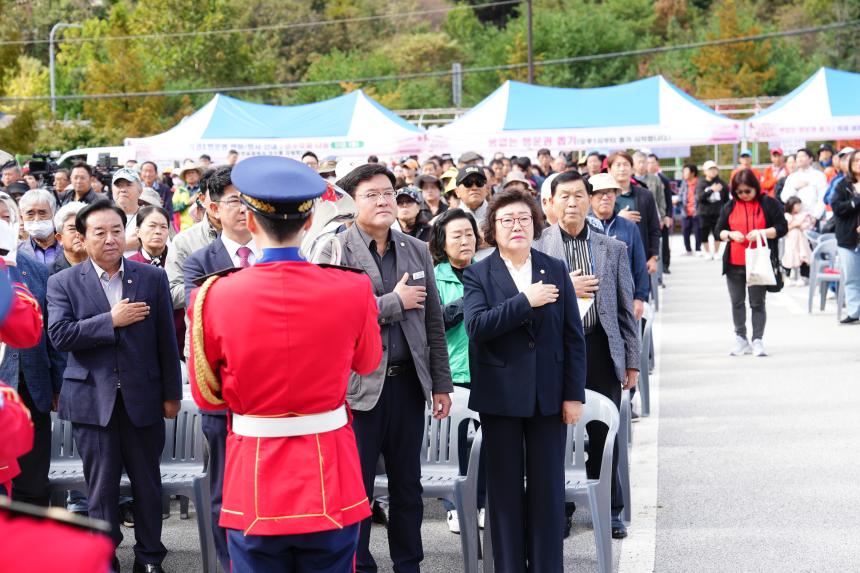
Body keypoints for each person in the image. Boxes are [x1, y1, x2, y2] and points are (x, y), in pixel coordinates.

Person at [187, 156, 381, 572]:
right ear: (309, 221)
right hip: (331, 471)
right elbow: (367, 364)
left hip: (253, 473)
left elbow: (207, 394)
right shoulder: (352, 287)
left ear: (250, 221)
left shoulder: (213, 295)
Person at [47, 200, 182, 573]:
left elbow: (166, 343)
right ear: (82, 237)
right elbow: (59, 335)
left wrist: (172, 394)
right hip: (92, 400)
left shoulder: (151, 277)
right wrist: (110, 320)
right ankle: (102, 556)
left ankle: (151, 557)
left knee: (147, 483)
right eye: (100, 232)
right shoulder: (63, 282)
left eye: (116, 231)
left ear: (128, 233)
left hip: (143, 397)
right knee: (101, 488)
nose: (110, 239)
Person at [332, 163, 453, 573]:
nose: (384, 201)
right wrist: (392, 303)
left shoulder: (416, 249)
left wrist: (440, 383)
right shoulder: (336, 249)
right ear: (352, 202)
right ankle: (358, 564)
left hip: (407, 387)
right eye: (372, 194)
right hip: (357, 389)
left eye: (388, 192)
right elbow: (333, 317)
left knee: (408, 488)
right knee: (356, 488)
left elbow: (433, 320)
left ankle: (409, 563)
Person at [462, 187, 586, 571]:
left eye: (523, 219)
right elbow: (477, 326)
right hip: (500, 397)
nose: (516, 226)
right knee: (504, 492)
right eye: (507, 220)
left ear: (535, 224)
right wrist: (524, 301)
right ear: (492, 229)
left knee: (548, 490)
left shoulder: (554, 266)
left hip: (548, 396)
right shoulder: (478, 272)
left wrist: (573, 395)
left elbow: (572, 336)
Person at [535, 170, 640, 539]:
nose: (572, 203)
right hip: (556, 350)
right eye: (564, 196)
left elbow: (626, 308)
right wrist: (566, 287)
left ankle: (609, 508)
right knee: (557, 433)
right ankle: (558, 508)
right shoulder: (537, 246)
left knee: (602, 431)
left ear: (590, 199)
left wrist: (631, 361)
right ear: (552, 202)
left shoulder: (612, 248)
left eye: (579, 195)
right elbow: (528, 301)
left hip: (598, 347)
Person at [181, 165, 258, 571]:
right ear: (213, 209)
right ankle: (229, 564)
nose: (244, 208)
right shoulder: (199, 263)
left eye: (248, 199)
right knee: (223, 491)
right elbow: (205, 326)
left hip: (270, 397)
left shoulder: (276, 254)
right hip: (222, 396)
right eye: (233, 200)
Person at [427, 208, 485, 533]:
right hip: (453, 372)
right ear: (442, 243)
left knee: (487, 443)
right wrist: (470, 298)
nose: (465, 241)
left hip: (488, 370)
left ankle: (482, 502)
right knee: (456, 444)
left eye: (469, 234)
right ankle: (454, 504)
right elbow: (436, 322)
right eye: (456, 235)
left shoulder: (491, 270)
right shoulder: (435, 276)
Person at [0, 240, 65, 508]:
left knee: (34, 483)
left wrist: (58, 385)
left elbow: (52, 332)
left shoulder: (37, 270)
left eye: (5, 218)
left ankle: (28, 544)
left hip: (33, 385)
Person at [716, 170, 787, 357]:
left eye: (747, 191)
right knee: (737, 302)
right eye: (739, 192)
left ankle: (757, 339)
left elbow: (782, 227)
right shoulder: (730, 206)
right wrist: (731, 235)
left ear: (755, 188)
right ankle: (740, 337)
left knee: (757, 303)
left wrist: (762, 232)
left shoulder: (768, 203)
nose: (744, 195)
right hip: (734, 262)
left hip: (759, 260)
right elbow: (718, 231)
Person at [586, 173, 649, 320]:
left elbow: (639, 264)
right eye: (599, 193)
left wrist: (639, 298)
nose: (605, 197)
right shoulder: (583, 227)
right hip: (591, 301)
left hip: (624, 299)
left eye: (609, 192)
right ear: (590, 198)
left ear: (616, 195)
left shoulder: (629, 227)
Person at [608, 151, 661, 275]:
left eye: (626, 165)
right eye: (618, 165)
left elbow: (654, 228)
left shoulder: (645, 195)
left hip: (639, 260)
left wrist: (654, 257)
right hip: (610, 261)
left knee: (640, 294)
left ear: (632, 169)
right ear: (609, 170)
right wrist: (619, 218)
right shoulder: (601, 197)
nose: (622, 169)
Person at [830, 149, 860, 324]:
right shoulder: (843, 185)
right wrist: (856, 200)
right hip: (847, 238)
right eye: (855, 160)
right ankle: (855, 311)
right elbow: (837, 208)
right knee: (851, 277)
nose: (858, 162)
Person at [17, 189, 63, 265]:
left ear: (54, 215)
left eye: (42, 213)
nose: (37, 219)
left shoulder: (69, 246)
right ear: (22, 218)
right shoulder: (16, 251)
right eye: (30, 214)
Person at [780, 148, 827, 220]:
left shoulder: (819, 175)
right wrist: (795, 188)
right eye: (798, 157)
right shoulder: (792, 177)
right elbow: (784, 198)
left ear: (810, 159)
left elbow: (823, 197)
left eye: (803, 156)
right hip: (795, 218)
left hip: (813, 216)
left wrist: (815, 216)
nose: (800, 159)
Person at [696, 160, 729, 260]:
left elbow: (726, 199)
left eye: (714, 169)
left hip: (718, 212)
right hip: (704, 213)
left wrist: (725, 211)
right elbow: (700, 197)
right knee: (704, 233)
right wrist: (712, 190)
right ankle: (707, 252)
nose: (713, 171)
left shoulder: (722, 183)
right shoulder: (701, 183)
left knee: (717, 232)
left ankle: (716, 252)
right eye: (710, 169)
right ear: (705, 171)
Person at [109, 168, 145, 257]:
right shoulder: (102, 217)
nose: (123, 190)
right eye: (118, 186)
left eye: (128, 185)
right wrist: (125, 244)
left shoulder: (150, 217)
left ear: (140, 190)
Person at [780, 197, 813, 286]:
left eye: (799, 205)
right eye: (796, 205)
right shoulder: (786, 216)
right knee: (789, 258)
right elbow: (785, 228)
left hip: (802, 241)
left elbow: (807, 226)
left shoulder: (804, 215)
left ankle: (803, 277)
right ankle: (787, 277)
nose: (798, 207)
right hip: (790, 241)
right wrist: (795, 225)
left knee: (803, 257)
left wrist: (795, 224)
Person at [50, 202, 88, 274]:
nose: (79, 233)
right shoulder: (48, 272)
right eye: (72, 229)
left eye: (83, 228)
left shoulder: (106, 267)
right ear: (60, 238)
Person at [172, 162, 204, 231]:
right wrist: (187, 203)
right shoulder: (179, 190)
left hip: (202, 225)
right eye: (188, 173)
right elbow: (173, 208)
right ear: (184, 176)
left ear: (198, 174)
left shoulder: (204, 189)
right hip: (185, 227)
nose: (190, 175)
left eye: (192, 172)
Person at [678, 164, 702, 255]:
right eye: (683, 171)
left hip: (697, 211)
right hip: (685, 211)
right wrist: (678, 200)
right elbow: (680, 194)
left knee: (697, 231)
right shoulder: (684, 183)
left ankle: (698, 249)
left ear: (692, 172)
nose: (684, 173)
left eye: (686, 171)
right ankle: (688, 249)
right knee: (685, 231)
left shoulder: (699, 182)